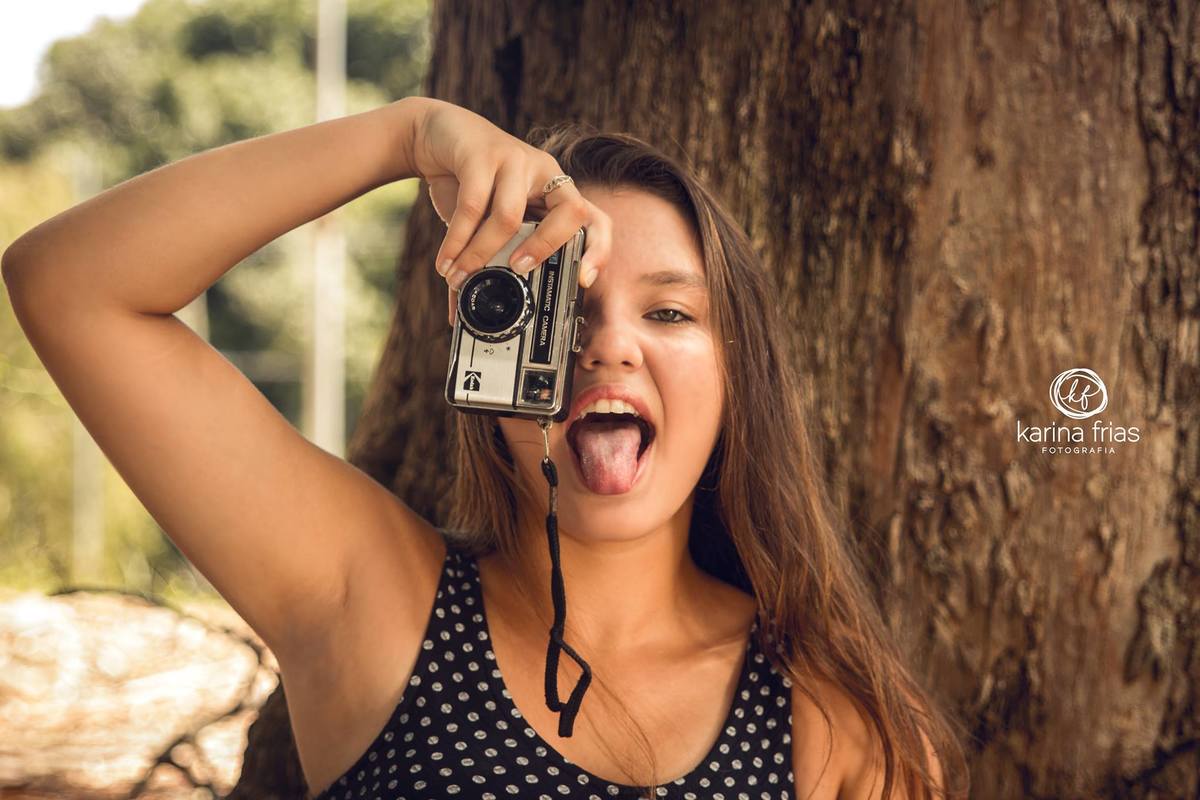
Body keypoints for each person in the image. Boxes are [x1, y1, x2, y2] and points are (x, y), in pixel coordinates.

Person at [2, 96, 966, 800]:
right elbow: (69, 285)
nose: (608, 345)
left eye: (670, 312)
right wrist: (407, 134)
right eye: (561, 307)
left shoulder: (834, 715)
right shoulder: (372, 601)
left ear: (736, 373)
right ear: (486, 362)